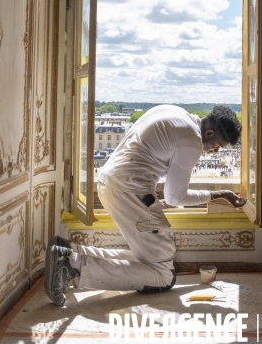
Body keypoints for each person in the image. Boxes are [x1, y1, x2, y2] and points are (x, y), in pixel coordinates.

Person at [44, 104, 245, 306]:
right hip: (129, 189)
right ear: (209, 133)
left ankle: (70, 253)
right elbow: (176, 197)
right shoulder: (192, 140)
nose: (213, 151)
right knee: (164, 275)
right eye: (217, 145)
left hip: (110, 182)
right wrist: (221, 194)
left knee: (150, 261)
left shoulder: (173, 111)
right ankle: (71, 266)